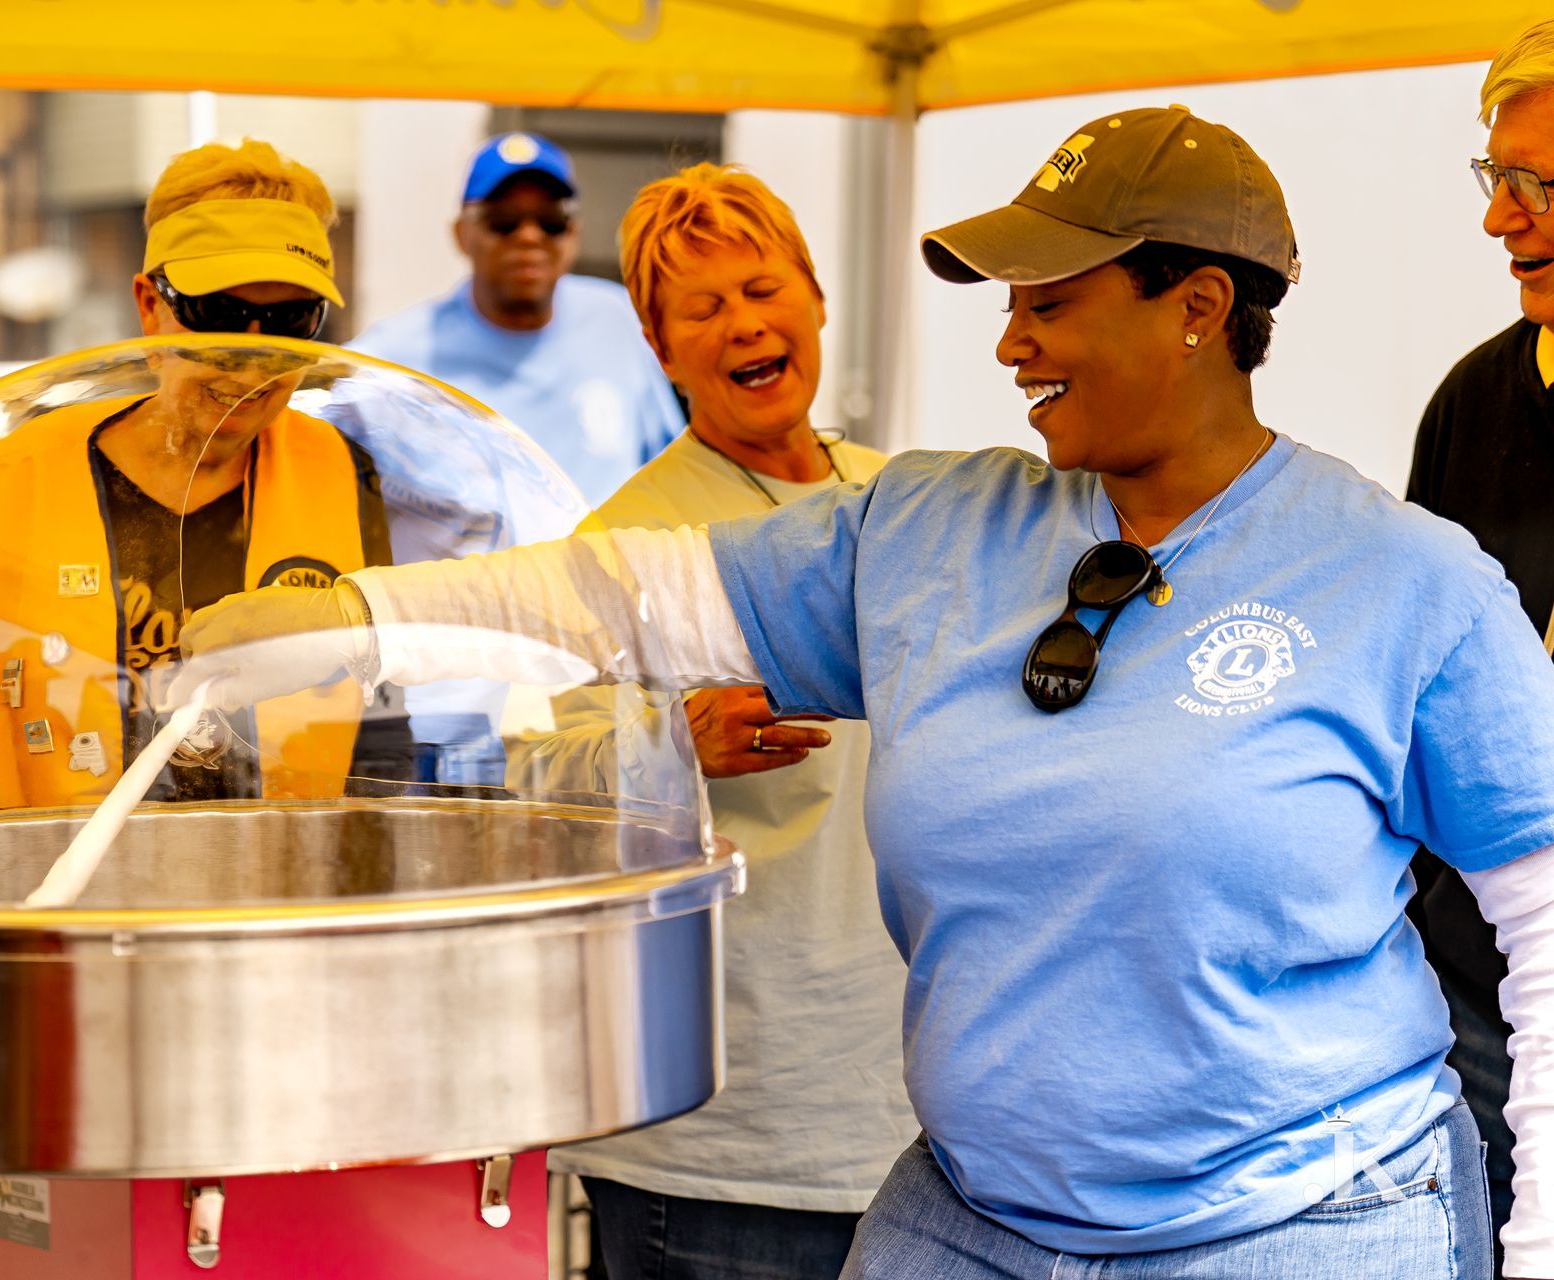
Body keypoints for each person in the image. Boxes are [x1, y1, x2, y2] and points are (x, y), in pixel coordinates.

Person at [180, 106, 1554, 1278]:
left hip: (1294, 1222)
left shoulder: (1405, 581)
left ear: (1198, 307)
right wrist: (351, 619)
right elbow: (622, 598)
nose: (1012, 343)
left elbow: (1547, 930)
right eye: (1008, 305)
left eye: (1052, 301)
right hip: (972, 1211)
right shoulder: (929, 526)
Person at [524, 164, 914, 1279]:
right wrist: (671, 744)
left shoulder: (900, 502)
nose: (744, 323)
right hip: (715, 1146)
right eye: (702, 308)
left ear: (816, 298)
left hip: (911, 1119)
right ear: (662, 347)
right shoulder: (622, 544)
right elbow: (528, 774)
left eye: (762, 287)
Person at [0, 138, 402, 812]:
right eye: (219, 317)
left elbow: (381, 716)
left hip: (279, 888)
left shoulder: (344, 472)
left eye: (291, 321)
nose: (252, 365)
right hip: (53, 886)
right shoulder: (9, 480)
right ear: (150, 307)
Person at [1407, 20, 1554, 1271]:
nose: (1504, 219)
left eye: (1542, 183)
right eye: (1497, 177)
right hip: (1476, 988)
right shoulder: (1471, 401)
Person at [350, 132, 684, 507]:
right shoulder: (394, 355)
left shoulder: (620, 318)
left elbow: (671, 466)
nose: (529, 237)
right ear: (461, 234)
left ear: (574, 232)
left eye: (551, 220)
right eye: (503, 221)